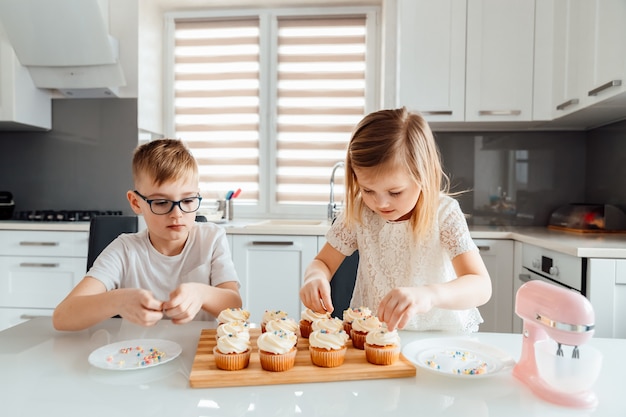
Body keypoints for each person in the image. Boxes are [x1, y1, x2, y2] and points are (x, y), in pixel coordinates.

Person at [299, 108, 491, 333]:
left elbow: (480, 285)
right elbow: (323, 263)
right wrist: (314, 277)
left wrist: (429, 295)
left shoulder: (444, 213)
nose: (381, 204)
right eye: (368, 190)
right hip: (375, 335)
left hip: (441, 338)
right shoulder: (361, 213)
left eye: (395, 192)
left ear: (423, 175)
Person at [53, 139, 242, 331]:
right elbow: (62, 317)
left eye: (188, 200)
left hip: (196, 353)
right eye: (160, 202)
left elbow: (235, 306)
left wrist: (202, 294)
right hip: (136, 355)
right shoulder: (125, 250)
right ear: (136, 203)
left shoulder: (212, 238)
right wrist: (118, 301)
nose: (177, 213)